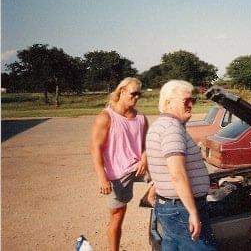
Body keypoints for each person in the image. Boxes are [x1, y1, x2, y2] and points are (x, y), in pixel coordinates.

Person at [147, 79, 216, 250]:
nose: (191, 105)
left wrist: (157, 185)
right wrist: (192, 212)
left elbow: (162, 163)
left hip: (171, 206)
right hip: (182, 208)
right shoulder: (172, 128)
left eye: (193, 100)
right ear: (168, 103)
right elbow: (177, 173)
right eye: (186, 100)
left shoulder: (161, 125)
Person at [90, 77, 148, 251]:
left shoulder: (142, 118)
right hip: (117, 173)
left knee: (168, 177)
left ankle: (151, 198)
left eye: (139, 94)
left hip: (139, 167)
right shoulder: (105, 117)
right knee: (117, 215)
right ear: (122, 91)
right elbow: (95, 148)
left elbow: (145, 146)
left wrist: (144, 159)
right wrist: (102, 179)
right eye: (133, 93)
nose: (136, 97)